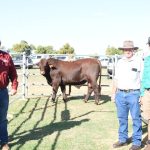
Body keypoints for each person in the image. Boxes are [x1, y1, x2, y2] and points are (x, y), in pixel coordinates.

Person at [112, 40, 143, 150]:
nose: (127, 51)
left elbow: (143, 79)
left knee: (136, 118)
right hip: (120, 94)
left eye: (130, 49)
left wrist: (142, 95)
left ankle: (137, 142)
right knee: (122, 118)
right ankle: (122, 140)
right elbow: (115, 79)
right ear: (123, 50)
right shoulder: (119, 62)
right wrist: (113, 93)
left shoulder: (139, 61)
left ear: (133, 50)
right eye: (126, 49)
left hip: (134, 93)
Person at [0, 40, 18, 150]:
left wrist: (14, 86)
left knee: (2, 118)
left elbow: (13, 74)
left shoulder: (6, 56)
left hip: (2, 92)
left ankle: (4, 142)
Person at [140, 37, 150, 150]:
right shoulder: (146, 59)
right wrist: (142, 94)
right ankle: (149, 143)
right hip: (148, 92)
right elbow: (144, 77)